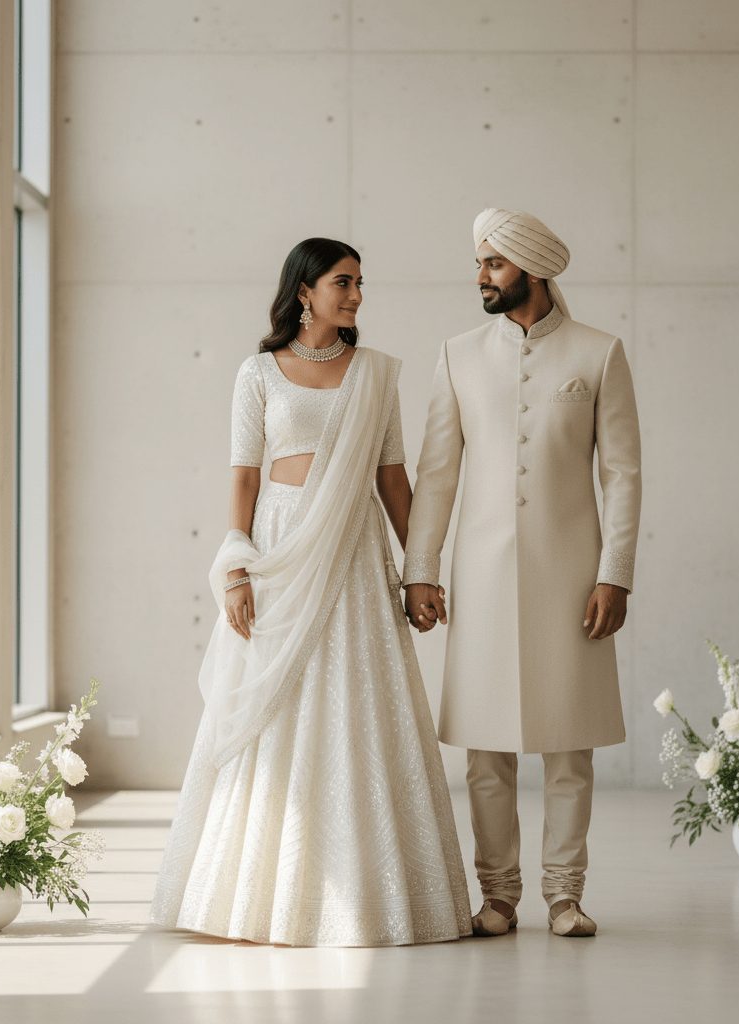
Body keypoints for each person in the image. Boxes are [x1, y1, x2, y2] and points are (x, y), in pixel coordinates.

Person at [150, 238, 472, 947]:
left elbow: (393, 479)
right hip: (280, 549)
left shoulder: (376, 375)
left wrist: (421, 570)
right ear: (305, 291)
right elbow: (243, 478)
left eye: (359, 284)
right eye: (343, 282)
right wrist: (235, 569)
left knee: (358, 701)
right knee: (275, 704)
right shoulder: (259, 373)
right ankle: (258, 896)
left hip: (354, 551)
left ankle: (372, 891)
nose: (356, 295)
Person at [402, 209, 642, 938]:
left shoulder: (599, 354)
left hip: (574, 579)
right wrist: (421, 570)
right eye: (480, 263)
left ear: (532, 271)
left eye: (493, 265)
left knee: (571, 747)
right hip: (480, 578)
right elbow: (436, 474)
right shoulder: (459, 354)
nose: (481, 276)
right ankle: (498, 896)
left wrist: (616, 573)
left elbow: (623, 474)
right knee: (486, 749)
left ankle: (565, 897)